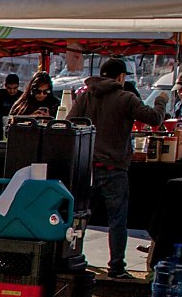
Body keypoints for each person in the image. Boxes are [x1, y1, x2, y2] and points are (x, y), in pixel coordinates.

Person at [69, 56, 161, 279]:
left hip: (87, 167)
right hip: (114, 167)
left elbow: (70, 123)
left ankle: (70, 257)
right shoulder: (126, 98)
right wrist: (162, 101)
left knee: (79, 216)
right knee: (117, 220)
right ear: (121, 77)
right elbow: (155, 118)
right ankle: (116, 267)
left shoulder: (85, 96)